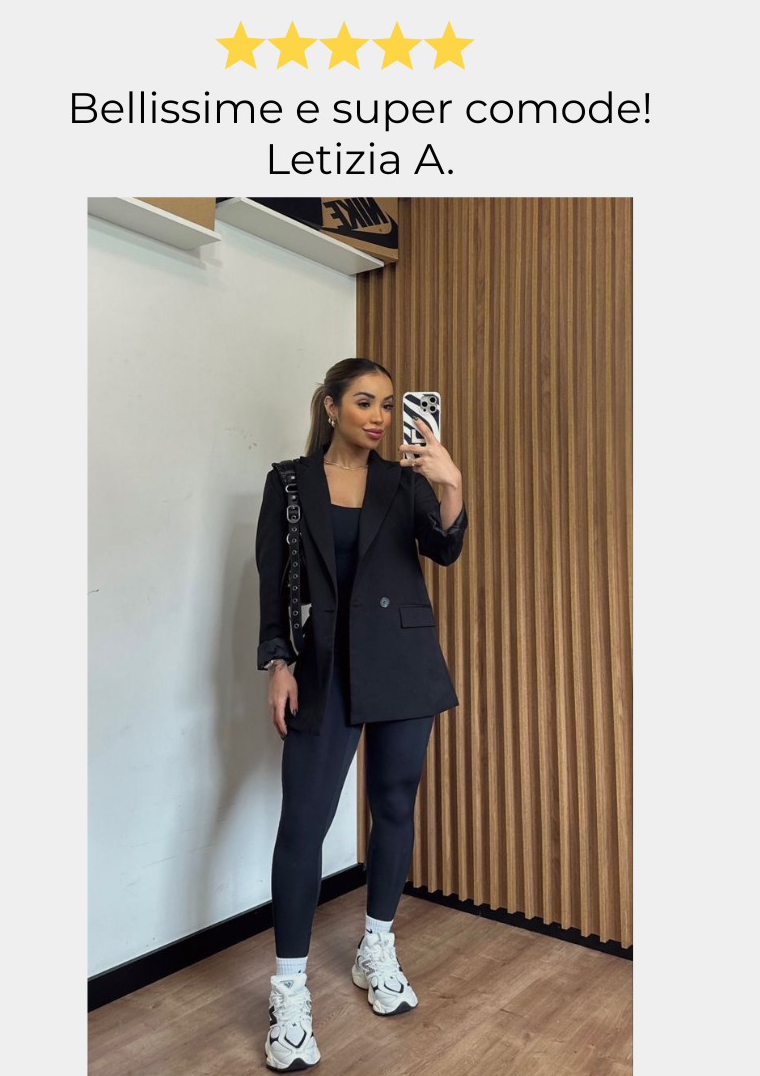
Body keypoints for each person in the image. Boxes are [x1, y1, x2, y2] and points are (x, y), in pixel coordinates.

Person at [256, 358, 468, 1070]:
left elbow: (444, 550)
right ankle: (289, 991)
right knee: (303, 824)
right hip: (323, 669)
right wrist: (279, 663)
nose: (379, 417)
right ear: (330, 406)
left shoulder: (404, 480)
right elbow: (272, 580)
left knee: (394, 807)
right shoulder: (289, 482)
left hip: (403, 661)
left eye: (387, 404)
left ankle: (376, 945)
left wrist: (450, 483)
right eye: (364, 402)